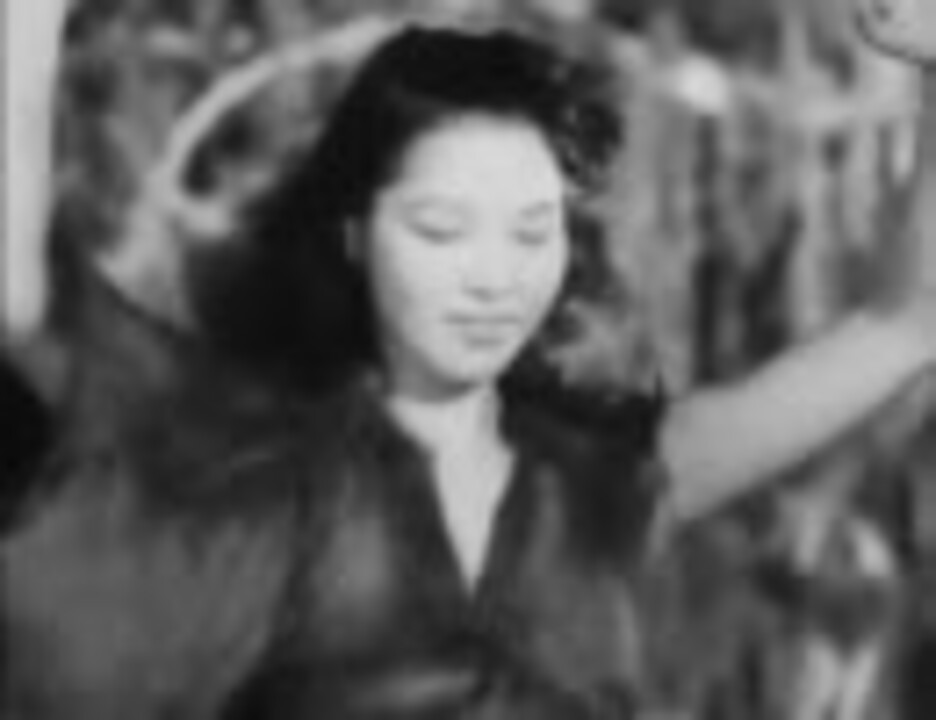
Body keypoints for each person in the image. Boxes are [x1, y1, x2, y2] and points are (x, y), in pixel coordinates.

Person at [3, 1, 936, 718]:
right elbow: (14, 293)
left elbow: (907, 323)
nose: (494, 279)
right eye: (442, 229)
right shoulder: (248, 446)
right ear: (355, 236)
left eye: (532, 233)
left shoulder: (607, 483)